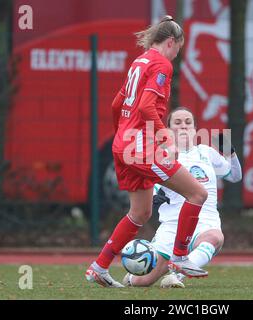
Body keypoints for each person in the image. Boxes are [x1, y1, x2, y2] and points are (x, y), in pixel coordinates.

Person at [85, 16, 210, 288]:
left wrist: (123, 133)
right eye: (179, 47)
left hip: (124, 144)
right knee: (198, 192)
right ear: (171, 42)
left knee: (140, 213)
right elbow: (145, 107)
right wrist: (163, 134)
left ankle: (99, 267)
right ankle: (179, 257)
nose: (177, 54)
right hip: (140, 147)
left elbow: (117, 104)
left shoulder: (139, 62)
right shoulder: (161, 63)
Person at [122, 107, 242, 288]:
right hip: (172, 225)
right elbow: (148, 185)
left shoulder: (207, 152)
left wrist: (231, 154)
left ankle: (177, 274)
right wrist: (155, 194)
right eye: (177, 123)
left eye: (188, 122)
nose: (184, 126)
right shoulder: (160, 155)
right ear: (168, 130)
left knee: (215, 237)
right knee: (143, 281)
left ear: (195, 128)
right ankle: (132, 278)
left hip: (205, 221)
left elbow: (235, 176)